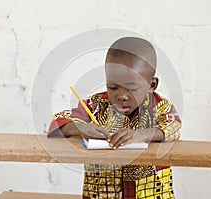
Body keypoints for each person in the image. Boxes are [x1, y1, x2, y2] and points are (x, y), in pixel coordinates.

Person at [47, 37, 181, 199]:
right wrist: (81, 128)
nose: (121, 96)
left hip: (149, 192)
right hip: (103, 191)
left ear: (151, 86)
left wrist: (142, 134)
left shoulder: (159, 106)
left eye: (132, 88)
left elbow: (174, 126)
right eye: (113, 87)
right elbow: (60, 119)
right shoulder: (97, 104)